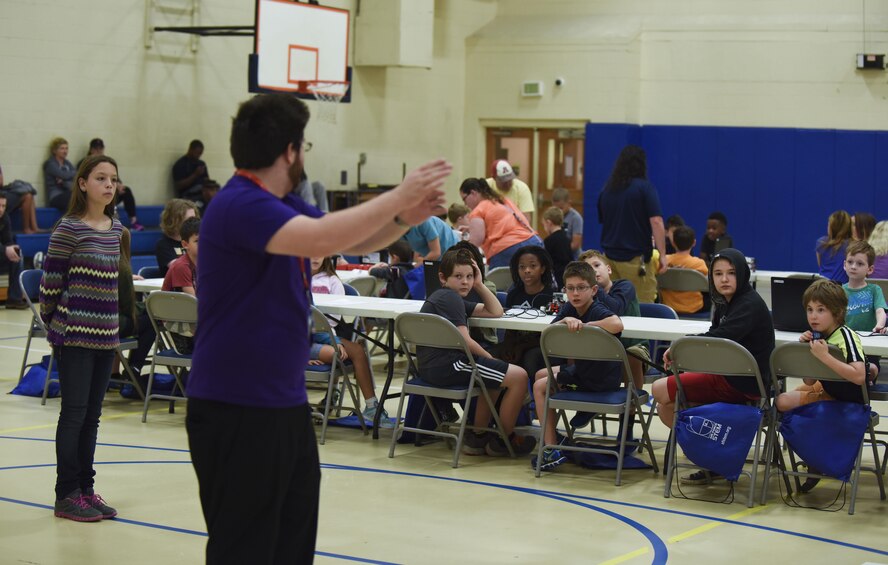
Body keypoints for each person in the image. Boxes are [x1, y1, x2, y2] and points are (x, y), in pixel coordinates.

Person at [185, 92, 450, 564]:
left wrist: (402, 219)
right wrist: (399, 194)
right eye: (303, 146)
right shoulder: (240, 204)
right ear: (290, 150)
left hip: (282, 404)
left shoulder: (279, 203)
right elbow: (325, 238)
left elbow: (348, 235)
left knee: (290, 544)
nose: (305, 155)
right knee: (245, 550)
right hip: (236, 406)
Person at [40, 155, 123, 522]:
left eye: (113, 179)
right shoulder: (68, 229)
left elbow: (114, 286)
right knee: (73, 416)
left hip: (107, 338)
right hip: (74, 337)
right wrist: (55, 325)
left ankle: (86, 491)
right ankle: (66, 494)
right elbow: (50, 286)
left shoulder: (118, 229)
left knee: (92, 418)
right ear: (83, 184)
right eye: (101, 178)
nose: (108, 185)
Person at [651, 248, 775, 485]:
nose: (724, 279)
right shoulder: (725, 303)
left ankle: (711, 455)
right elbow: (713, 335)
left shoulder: (748, 304)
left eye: (731, 273)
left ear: (743, 274)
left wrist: (680, 347)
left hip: (742, 385)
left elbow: (719, 338)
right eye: (718, 274)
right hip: (725, 378)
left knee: (659, 391)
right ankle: (713, 456)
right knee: (663, 407)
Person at [417, 247, 536, 457]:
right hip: (447, 365)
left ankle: (478, 437)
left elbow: (496, 311)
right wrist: (488, 357)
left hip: (432, 367)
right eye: (459, 276)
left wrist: (479, 284)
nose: (465, 282)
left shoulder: (447, 297)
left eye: (469, 276)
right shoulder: (449, 298)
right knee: (519, 376)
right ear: (443, 277)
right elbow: (464, 339)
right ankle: (504, 440)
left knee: (496, 375)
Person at [774, 279, 871, 492]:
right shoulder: (818, 337)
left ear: (837, 312)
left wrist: (824, 356)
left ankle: (817, 461)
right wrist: (805, 354)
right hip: (825, 391)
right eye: (809, 310)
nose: (813, 316)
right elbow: (809, 381)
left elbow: (859, 376)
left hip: (848, 401)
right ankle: (813, 454)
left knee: (795, 409)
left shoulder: (846, 335)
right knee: (780, 401)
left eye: (820, 310)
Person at [530, 261, 624, 471]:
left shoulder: (597, 309)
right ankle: (552, 434)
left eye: (581, 288)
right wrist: (564, 321)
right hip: (582, 372)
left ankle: (550, 446)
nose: (575, 293)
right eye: (570, 288)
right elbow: (549, 331)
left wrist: (587, 327)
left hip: (598, 381)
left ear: (593, 290)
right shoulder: (570, 308)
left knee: (539, 387)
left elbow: (617, 324)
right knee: (540, 374)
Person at [309, 255, 390, 424]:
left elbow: (332, 321)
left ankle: (371, 406)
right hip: (302, 339)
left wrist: (334, 340)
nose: (315, 256)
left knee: (358, 351)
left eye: (320, 252)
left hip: (324, 334)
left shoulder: (332, 280)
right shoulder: (295, 279)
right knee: (337, 353)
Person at [597, 145, 667, 303]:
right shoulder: (645, 188)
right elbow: (656, 221)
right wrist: (662, 254)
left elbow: (604, 221)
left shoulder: (606, 190)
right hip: (635, 259)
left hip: (608, 259)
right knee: (643, 307)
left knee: (613, 308)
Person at [580, 250, 651, 392]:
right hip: (601, 349)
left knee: (633, 355)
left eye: (597, 265)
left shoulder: (625, 286)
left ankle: (630, 407)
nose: (593, 271)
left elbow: (615, 308)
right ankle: (585, 404)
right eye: (588, 270)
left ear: (608, 269)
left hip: (634, 347)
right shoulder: (585, 294)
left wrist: (593, 287)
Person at [495, 245, 556, 378]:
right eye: (522, 267)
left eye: (532, 266)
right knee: (493, 353)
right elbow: (509, 326)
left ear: (543, 269)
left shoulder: (552, 296)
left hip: (540, 344)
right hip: (516, 342)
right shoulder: (513, 294)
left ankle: (535, 395)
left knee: (531, 358)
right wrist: (509, 345)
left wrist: (521, 347)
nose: (527, 271)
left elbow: (551, 332)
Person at [459, 177, 543, 269]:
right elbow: (507, 223)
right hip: (534, 241)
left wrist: (461, 249)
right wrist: (471, 228)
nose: (465, 204)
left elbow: (476, 242)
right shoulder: (502, 201)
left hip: (508, 249)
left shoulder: (478, 210)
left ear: (473, 193)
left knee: (498, 282)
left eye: (464, 199)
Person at [661, 226, 710, 314]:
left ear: (673, 243)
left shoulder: (664, 262)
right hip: (695, 308)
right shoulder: (699, 263)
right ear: (694, 243)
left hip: (668, 308)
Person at [842, 241, 888, 335]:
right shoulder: (839, 291)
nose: (853, 267)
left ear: (870, 269)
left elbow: (880, 311)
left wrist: (879, 325)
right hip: (845, 337)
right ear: (844, 265)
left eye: (860, 264)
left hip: (869, 338)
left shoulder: (875, 290)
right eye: (850, 262)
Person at [155, 198, 199, 277]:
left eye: (194, 219)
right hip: (174, 287)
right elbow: (180, 268)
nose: (193, 223)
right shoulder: (163, 244)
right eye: (188, 220)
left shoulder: (196, 241)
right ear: (173, 220)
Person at [486, 159, 535, 225]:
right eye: (504, 181)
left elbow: (526, 218)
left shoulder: (522, 188)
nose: (508, 183)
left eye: (510, 179)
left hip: (514, 227)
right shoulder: (486, 186)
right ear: (494, 178)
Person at [172, 139, 218, 207]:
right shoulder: (180, 164)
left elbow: (206, 180)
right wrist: (195, 175)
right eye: (197, 153)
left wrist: (209, 183)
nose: (199, 156)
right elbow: (179, 186)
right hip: (188, 195)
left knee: (217, 191)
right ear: (190, 150)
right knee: (202, 202)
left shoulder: (201, 164)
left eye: (200, 153)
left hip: (202, 192)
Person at [0, 192, 27, 309]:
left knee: (18, 254)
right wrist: (5, 249)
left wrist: (12, 248)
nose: (1, 209)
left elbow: (8, 241)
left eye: (3, 206)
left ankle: (14, 298)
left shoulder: (4, 217)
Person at [162, 216, 200, 296]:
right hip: (173, 308)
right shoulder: (182, 266)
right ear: (185, 244)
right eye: (197, 241)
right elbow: (194, 301)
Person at [0, 163, 43, 234]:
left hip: (3, 192)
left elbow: (1, 182)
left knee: (29, 194)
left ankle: (35, 227)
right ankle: (26, 228)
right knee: (27, 196)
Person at [816, 210, 852, 284]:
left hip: (822, 286)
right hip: (842, 288)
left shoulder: (821, 242)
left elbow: (820, 265)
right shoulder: (853, 245)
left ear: (832, 227)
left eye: (828, 224)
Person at [542, 206, 573, 287]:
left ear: (549, 223)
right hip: (568, 274)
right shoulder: (566, 237)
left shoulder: (549, 240)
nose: (544, 228)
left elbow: (546, 261)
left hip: (556, 277)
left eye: (544, 225)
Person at [43, 137, 76, 211]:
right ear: (54, 150)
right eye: (62, 148)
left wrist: (64, 181)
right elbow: (62, 175)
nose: (65, 151)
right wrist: (68, 176)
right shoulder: (50, 164)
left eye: (66, 148)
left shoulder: (67, 163)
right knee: (71, 196)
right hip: (55, 197)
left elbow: (77, 175)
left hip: (67, 192)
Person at [551, 187, 583, 259]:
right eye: (556, 208)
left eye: (561, 208)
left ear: (569, 203)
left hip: (573, 257)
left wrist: (560, 252)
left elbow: (576, 244)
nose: (559, 211)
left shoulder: (576, 218)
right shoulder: (553, 216)